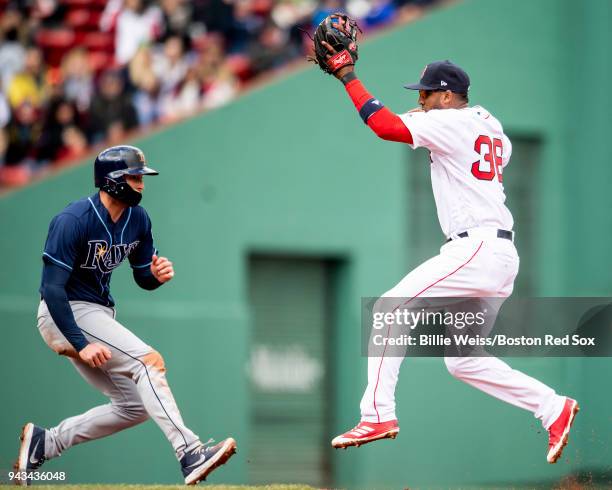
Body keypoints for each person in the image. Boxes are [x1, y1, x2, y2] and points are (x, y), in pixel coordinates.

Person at [320, 37, 579, 464]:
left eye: (425, 92)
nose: (420, 99)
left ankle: (377, 415)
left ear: (446, 94)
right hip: (499, 253)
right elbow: (398, 121)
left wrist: (348, 76)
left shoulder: (452, 122)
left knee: (390, 309)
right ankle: (553, 408)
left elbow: (384, 126)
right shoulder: (488, 124)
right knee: (462, 360)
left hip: (475, 247)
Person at [14, 145, 236, 486]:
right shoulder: (73, 220)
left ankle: (47, 442)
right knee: (149, 362)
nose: (141, 184)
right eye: (134, 177)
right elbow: (52, 290)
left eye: (141, 178)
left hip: (96, 314)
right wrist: (80, 343)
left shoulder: (138, 219)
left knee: (133, 407)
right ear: (112, 181)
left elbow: (142, 276)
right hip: (64, 312)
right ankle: (189, 452)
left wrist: (155, 276)